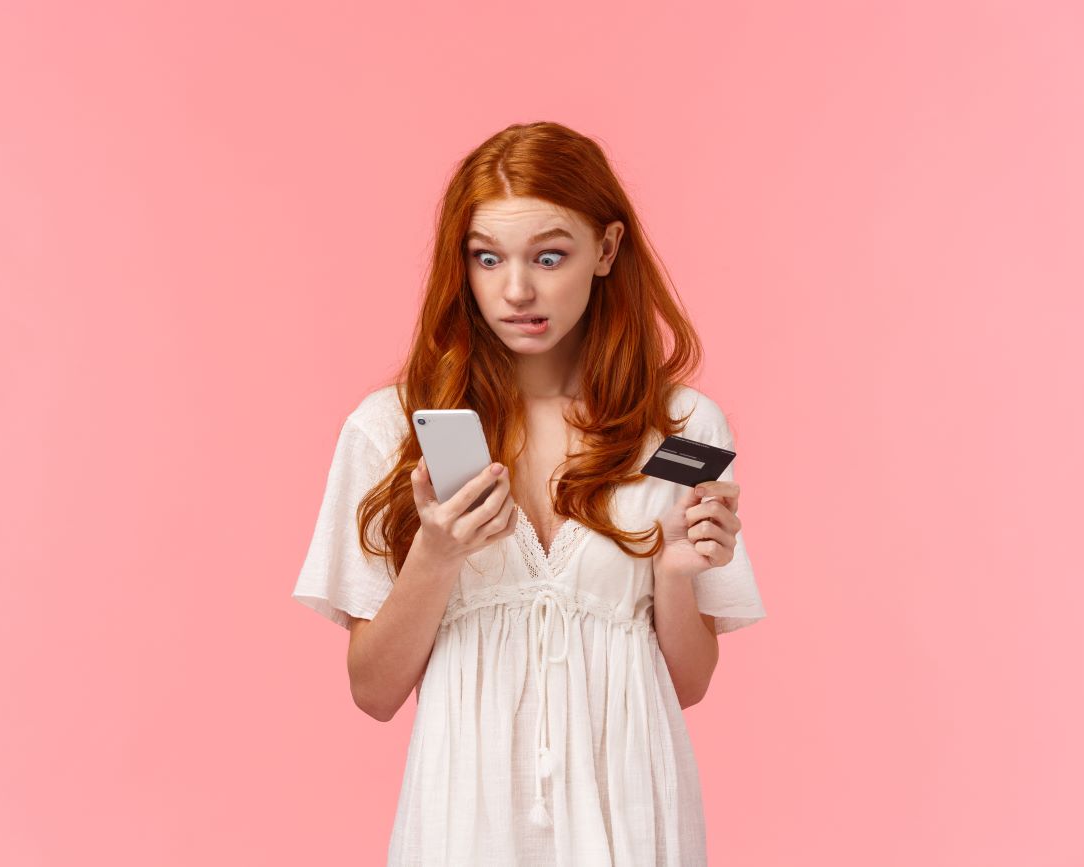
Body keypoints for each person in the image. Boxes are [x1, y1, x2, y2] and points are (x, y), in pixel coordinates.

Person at [292, 120, 766, 866]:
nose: (516, 290)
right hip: (465, 823)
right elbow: (373, 691)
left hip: (632, 818)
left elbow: (688, 684)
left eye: (549, 256)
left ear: (607, 250)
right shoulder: (390, 430)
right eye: (488, 258)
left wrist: (676, 572)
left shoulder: (677, 431)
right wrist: (437, 556)